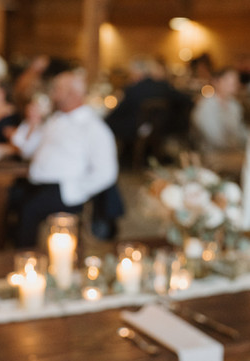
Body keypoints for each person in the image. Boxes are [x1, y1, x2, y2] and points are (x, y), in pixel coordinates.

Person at [11, 70, 120, 247]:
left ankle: (26, 261)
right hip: (35, 182)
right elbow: (26, 149)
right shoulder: (56, 119)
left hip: (64, 190)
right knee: (6, 202)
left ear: (73, 94)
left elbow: (107, 172)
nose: (52, 93)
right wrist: (32, 122)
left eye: (57, 89)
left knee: (28, 211)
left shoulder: (93, 127)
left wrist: (73, 190)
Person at [105, 56, 193, 166]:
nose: (131, 77)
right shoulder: (162, 85)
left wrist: (106, 118)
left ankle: (121, 157)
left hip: (137, 128)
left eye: (132, 73)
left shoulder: (132, 89)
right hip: (160, 128)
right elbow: (186, 100)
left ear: (138, 73)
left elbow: (118, 112)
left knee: (109, 123)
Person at [191, 66, 248, 175]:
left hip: (233, 152)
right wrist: (238, 146)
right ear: (217, 81)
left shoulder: (235, 106)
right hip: (211, 156)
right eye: (229, 80)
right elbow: (215, 139)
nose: (234, 84)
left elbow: (241, 131)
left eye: (235, 80)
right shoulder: (205, 107)